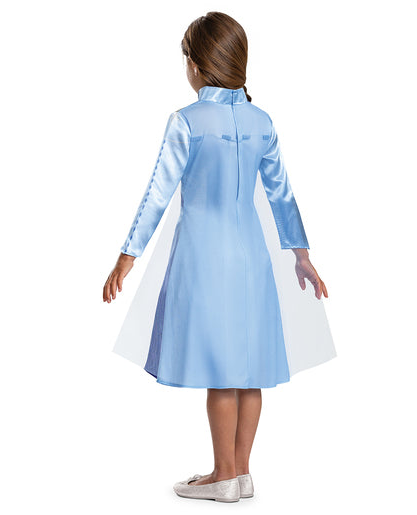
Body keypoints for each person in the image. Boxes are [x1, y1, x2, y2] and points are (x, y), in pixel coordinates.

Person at [103, 11, 336, 502]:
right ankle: (242, 472)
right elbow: (282, 194)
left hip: (205, 257)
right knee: (249, 368)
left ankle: (223, 475)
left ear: (196, 63)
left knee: (221, 371)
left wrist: (127, 255)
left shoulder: (186, 121)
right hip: (252, 255)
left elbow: (158, 192)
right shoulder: (261, 121)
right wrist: (301, 254)